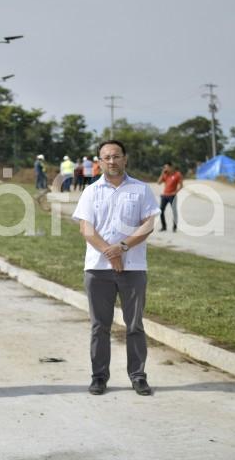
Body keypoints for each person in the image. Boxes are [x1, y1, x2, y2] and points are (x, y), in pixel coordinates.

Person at [72, 140, 160, 397]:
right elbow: (86, 229)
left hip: (133, 268)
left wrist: (120, 249)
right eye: (106, 157)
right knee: (100, 326)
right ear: (99, 161)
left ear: (125, 159)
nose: (112, 161)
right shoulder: (91, 191)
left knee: (134, 325)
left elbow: (147, 225)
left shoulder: (141, 190)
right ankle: (99, 376)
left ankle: (138, 376)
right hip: (97, 270)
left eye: (116, 156)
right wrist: (109, 254)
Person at [157, 161, 183, 232]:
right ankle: (164, 227)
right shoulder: (165, 174)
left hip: (172, 196)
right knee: (161, 211)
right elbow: (158, 183)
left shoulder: (177, 174)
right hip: (165, 196)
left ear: (171, 167)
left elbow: (181, 186)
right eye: (164, 167)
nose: (165, 168)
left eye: (166, 167)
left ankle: (174, 227)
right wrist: (162, 173)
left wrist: (175, 192)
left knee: (174, 211)